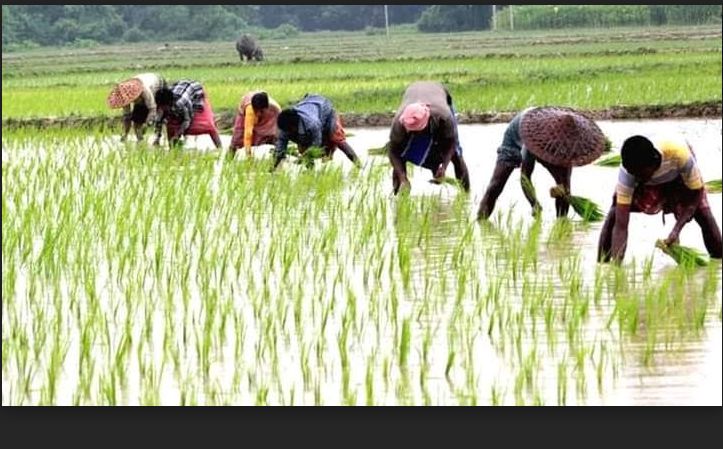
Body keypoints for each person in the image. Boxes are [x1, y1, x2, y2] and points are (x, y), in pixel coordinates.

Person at [597, 135, 722, 263]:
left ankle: (719, 261)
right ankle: (602, 264)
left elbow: (696, 193)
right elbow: (621, 226)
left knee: (704, 214)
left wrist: (676, 230)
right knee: (614, 213)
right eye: (633, 174)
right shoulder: (628, 174)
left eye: (639, 174)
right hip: (648, 185)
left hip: (678, 177)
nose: (636, 178)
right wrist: (616, 269)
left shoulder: (680, 155)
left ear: (653, 163)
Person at [477, 106, 605, 219]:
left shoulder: (568, 146)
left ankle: (561, 222)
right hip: (515, 138)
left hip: (548, 139)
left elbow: (566, 188)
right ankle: (481, 221)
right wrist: (534, 203)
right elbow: (525, 177)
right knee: (496, 185)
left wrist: (563, 192)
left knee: (564, 189)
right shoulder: (535, 138)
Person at [387, 81, 470, 194]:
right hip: (413, 92)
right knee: (400, 159)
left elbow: (452, 143)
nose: (415, 135)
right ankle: (399, 190)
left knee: (456, 155)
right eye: (412, 131)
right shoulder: (399, 122)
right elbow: (393, 151)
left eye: (418, 131)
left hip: (438, 93)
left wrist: (444, 167)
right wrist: (403, 178)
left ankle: (466, 195)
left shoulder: (444, 117)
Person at [272, 94, 359, 169]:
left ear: (294, 127)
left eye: (289, 131)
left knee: (336, 138)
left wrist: (303, 158)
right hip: (309, 107)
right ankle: (311, 173)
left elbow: (315, 145)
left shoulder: (312, 124)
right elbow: (280, 148)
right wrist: (273, 167)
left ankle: (359, 166)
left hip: (325, 110)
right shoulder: (284, 128)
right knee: (303, 148)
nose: (286, 133)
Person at [153, 79, 222, 149]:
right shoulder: (162, 105)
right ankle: (172, 149)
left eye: (163, 107)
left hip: (195, 89)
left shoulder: (181, 103)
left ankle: (220, 148)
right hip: (179, 86)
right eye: (159, 107)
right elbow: (158, 121)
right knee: (170, 122)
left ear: (169, 104)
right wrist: (157, 138)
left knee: (208, 125)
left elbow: (187, 120)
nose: (160, 109)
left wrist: (178, 134)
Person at [106, 73, 166, 142]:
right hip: (143, 93)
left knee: (159, 117)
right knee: (137, 121)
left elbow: (152, 109)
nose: (133, 101)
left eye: (135, 99)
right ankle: (140, 140)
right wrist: (125, 134)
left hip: (158, 85)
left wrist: (147, 123)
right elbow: (127, 117)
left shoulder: (145, 91)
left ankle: (157, 138)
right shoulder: (125, 96)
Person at [229, 91, 281, 158]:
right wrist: (248, 156)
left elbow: (279, 129)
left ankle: (275, 157)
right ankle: (229, 159)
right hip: (246, 114)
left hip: (268, 115)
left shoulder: (274, 110)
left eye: (261, 111)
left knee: (270, 138)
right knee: (237, 138)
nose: (258, 114)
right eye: (256, 111)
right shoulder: (249, 109)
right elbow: (248, 134)